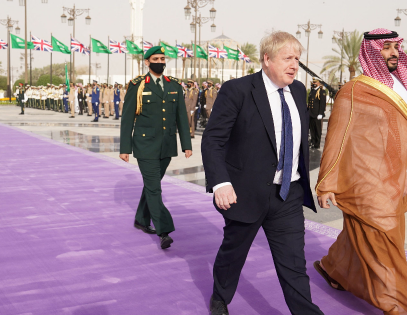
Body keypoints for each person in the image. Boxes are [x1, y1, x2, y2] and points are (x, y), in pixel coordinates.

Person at [202, 31, 323, 315]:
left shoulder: (298, 91)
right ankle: (220, 297)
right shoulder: (238, 90)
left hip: (288, 194)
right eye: (287, 58)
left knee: (293, 264)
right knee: (234, 253)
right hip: (245, 191)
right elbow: (213, 140)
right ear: (266, 59)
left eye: (297, 59)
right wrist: (220, 182)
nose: (294, 65)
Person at [315, 29, 407, 315]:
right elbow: (337, 136)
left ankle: (335, 268)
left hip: (394, 177)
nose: (392, 53)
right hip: (364, 180)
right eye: (385, 48)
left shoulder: (404, 86)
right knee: (383, 239)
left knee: (376, 234)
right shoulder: (354, 90)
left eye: (395, 48)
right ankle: (403, 306)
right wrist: (326, 181)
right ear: (371, 51)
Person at [119, 46, 192, 250]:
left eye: (162, 58)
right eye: (156, 58)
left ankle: (141, 219)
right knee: (155, 189)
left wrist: (186, 144)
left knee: (151, 187)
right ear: (147, 62)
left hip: (166, 147)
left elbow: (181, 118)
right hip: (145, 146)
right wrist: (125, 148)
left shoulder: (174, 86)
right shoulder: (138, 85)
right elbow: (127, 119)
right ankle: (164, 231)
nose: (160, 61)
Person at [307, 78, 326, 149]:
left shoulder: (321, 91)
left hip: (317, 114)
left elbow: (322, 103)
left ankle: (317, 144)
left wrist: (321, 113)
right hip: (311, 114)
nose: (314, 83)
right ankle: (313, 142)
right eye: (313, 82)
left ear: (319, 83)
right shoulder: (312, 91)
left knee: (317, 130)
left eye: (315, 82)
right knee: (312, 129)